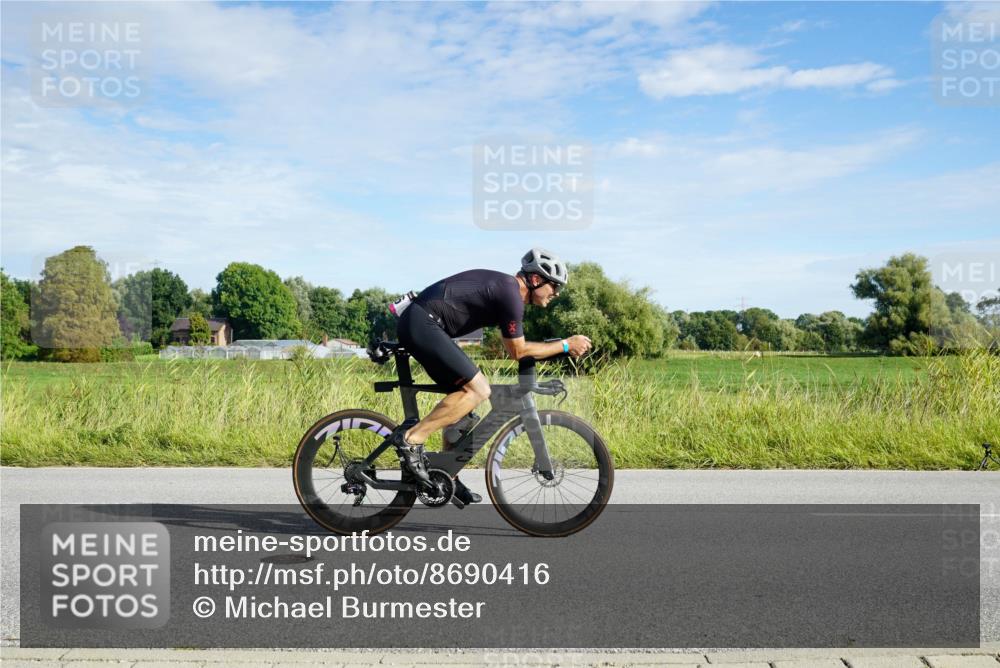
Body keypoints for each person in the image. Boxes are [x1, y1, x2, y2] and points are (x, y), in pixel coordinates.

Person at [391, 248, 592, 504]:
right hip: (423, 323)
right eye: (554, 286)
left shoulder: (509, 293)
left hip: (425, 324)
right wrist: (565, 345)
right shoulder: (510, 294)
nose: (556, 293)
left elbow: (519, 349)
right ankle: (412, 439)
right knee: (478, 390)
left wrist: (557, 349)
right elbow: (517, 351)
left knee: (464, 403)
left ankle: (448, 474)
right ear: (535, 280)